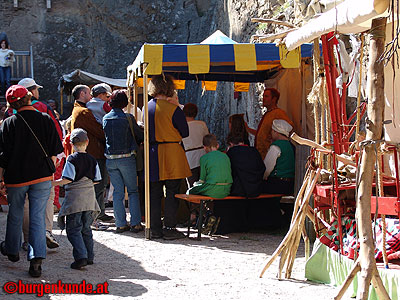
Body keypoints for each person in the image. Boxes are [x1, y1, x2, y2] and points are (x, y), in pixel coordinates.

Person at [0, 85, 63, 277]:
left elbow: (2, 157)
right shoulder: (45, 119)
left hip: (16, 178)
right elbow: (55, 150)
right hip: (42, 176)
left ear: (12, 104)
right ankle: (36, 260)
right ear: (29, 98)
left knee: (15, 213)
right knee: (37, 217)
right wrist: (50, 170)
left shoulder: (8, 123)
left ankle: (11, 249)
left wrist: (0, 180)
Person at [15, 78, 63, 249]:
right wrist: (56, 159)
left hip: (19, 167)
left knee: (26, 203)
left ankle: (28, 240)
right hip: (43, 165)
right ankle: (47, 231)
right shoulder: (44, 109)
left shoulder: (11, 112)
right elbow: (57, 134)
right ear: (32, 91)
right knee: (47, 198)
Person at [147, 74, 191, 240]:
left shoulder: (147, 107)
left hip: (152, 153)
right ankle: (170, 227)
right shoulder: (174, 109)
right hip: (172, 152)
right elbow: (185, 132)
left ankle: (155, 228)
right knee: (172, 192)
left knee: (155, 193)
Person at [52, 128, 101, 270]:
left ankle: (81, 257)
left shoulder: (71, 159)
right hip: (89, 199)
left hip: (75, 200)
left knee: (73, 229)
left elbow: (68, 179)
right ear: (87, 142)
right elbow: (97, 179)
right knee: (86, 228)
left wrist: (53, 183)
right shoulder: (92, 159)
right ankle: (90, 256)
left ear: (71, 144)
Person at [212, 115, 266, 234]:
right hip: (255, 189)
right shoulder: (253, 151)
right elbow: (262, 168)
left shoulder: (231, 154)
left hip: (239, 189)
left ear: (230, 143)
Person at [70, 84, 113, 223]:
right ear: (82, 94)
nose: (91, 96)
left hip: (90, 152)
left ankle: (98, 212)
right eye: (89, 93)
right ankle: (93, 215)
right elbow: (99, 131)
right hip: (94, 153)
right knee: (97, 185)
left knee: (98, 185)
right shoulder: (83, 112)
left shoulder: (79, 110)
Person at [103, 90, 144, 233]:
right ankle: (135, 223)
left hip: (110, 159)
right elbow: (140, 136)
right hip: (126, 158)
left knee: (117, 192)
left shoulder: (106, 118)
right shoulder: (128, 118)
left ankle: (120, 223)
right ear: (125, 102)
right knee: (133, 191)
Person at [246, 88, 293, 160]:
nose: (263, 99)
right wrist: (248, 129)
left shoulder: (278, 113)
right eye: (263, 96)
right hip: (261, 156)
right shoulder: (268, 114)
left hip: (270, 155)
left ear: (274, 99)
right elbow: (262, 134)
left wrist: (276, 140)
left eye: (266, 96)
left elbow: (290, 127)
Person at [188, 134, 232, 199]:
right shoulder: (225, 156)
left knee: (190, 191)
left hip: (212, 189)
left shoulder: (204, 158)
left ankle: (198, 209)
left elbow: (202, 180)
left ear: (204, 147)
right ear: (217, 145)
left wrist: (195, 184)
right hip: (227, 189)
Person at [263, 119, 295, 195]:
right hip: (291, 185)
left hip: (277, 185)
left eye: (272, 131)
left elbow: (267, 169)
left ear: (275, 132)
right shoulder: (291, 146)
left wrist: (262, 178)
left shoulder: (276, 146)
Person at [182, 103, 209, 188]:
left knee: (192, 186)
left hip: (189, 157)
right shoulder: (202, 124)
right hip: (202, 155)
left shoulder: (182, 126)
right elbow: (207, 139)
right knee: (204, 184)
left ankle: (193, 201)